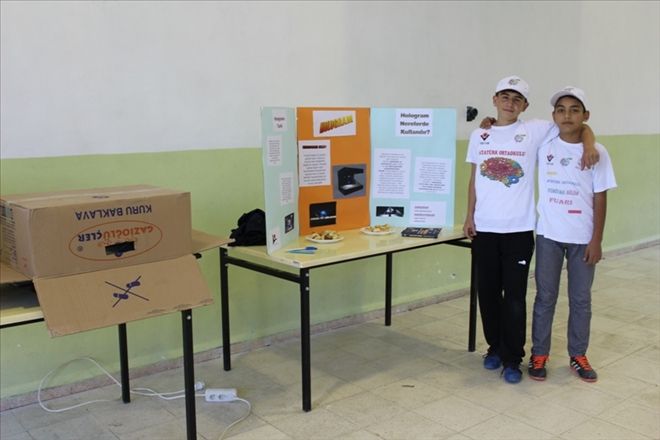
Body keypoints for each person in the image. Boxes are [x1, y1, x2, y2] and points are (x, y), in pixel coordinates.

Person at [463, 75, 599, 384]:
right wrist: (469, 215)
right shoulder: (479, 135)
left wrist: (590, 142)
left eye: (517, 99)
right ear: (494, 100)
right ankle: (494, 348)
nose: (510, 103)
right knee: (487, 293)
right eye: (504, 97)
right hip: (484, 229)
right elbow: (474, 179)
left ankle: (513, 358)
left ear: (525, 106)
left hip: (520, 230)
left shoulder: (536, 130)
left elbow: (575, 125)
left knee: (514, 297)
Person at [528, 87, 616, 383]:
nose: (567, 115)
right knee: (545, 297)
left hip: (583, 238)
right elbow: (510, 128)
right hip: (548, 235)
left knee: (580, 299)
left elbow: (600, 197)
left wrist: (596, 240)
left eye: (575, 110)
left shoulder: (598, 152)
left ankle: (578, 354)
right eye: (561, 110)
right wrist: (489, 122)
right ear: (553, 116)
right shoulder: (544, 143)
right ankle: (539, 353)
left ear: (585, 115)